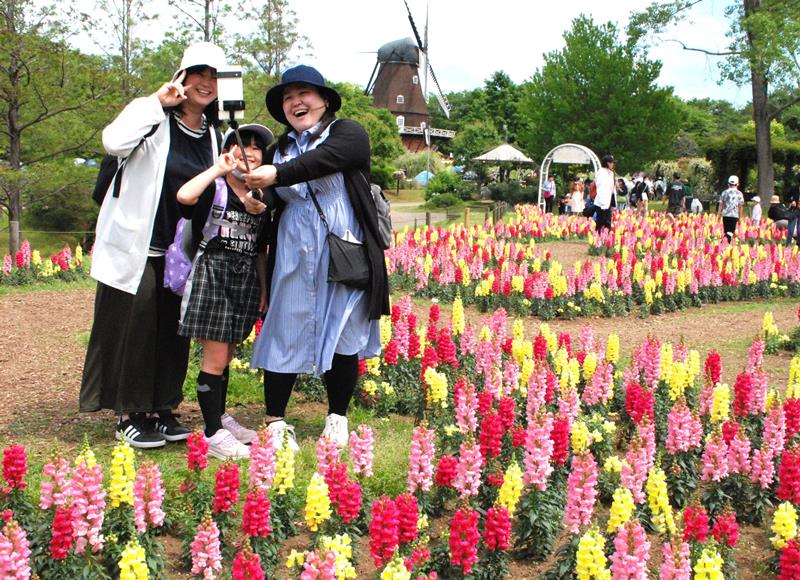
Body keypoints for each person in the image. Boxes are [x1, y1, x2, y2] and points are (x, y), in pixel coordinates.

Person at [80, 42, 225, 448]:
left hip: (182, 250)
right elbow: (113, 141)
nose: (206, 83)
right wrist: (156, 102)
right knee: (135, 326)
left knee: (173, 330)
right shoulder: (153, 119)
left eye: (215, 77)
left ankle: (162, 408)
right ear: (182, 76)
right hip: (139, 243)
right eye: (199, 73)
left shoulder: (213, 135)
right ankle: (129, 411)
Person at [243, 65, 389, 449]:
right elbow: (275, 196)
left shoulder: (347, 134)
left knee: (343, 331)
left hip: (342, 246)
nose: (296, 102)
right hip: (294, 249)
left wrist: (275, 175)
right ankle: (275, 420)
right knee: (284, 326)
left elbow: (321, 162)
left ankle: (337, 416)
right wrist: (260, 200)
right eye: (288, 97)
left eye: (304, 93)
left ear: (324, 100)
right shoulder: (280, 148)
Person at [175, 125, 274, 459]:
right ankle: (212, 433)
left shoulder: (262, 196)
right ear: (229, 150)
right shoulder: (215, 187)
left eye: (257, 148)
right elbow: (184, 197)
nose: (250, 152)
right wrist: (219, 168)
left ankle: (219, 417)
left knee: (227, 354)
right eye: (242, 145)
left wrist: (262, 287)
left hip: (244, 278)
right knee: (215, 357)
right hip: (214, 275)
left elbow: (261, 248)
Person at [718, 175, 744, 242]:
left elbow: (721, 204)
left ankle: (724, 245)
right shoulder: (739, 193)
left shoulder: (724, 192)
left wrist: (719, 215)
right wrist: (740, 217)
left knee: (727, 232)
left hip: (725, 215)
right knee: (730, 233)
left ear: (728, 184)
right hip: (734, 215)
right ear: (737, 184)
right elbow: (740, 206)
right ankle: (722, 244)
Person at [593, 155, 616, 232]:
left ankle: (606, 237)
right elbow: (600, 187)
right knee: (600, 221)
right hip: (601, 201)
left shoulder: (611, 173)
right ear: (607, 163)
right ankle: (598, 238)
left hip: (608, 200)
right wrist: (603, 202)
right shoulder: (601, 172)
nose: (613, 164)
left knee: (608, 221)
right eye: (611, 163)